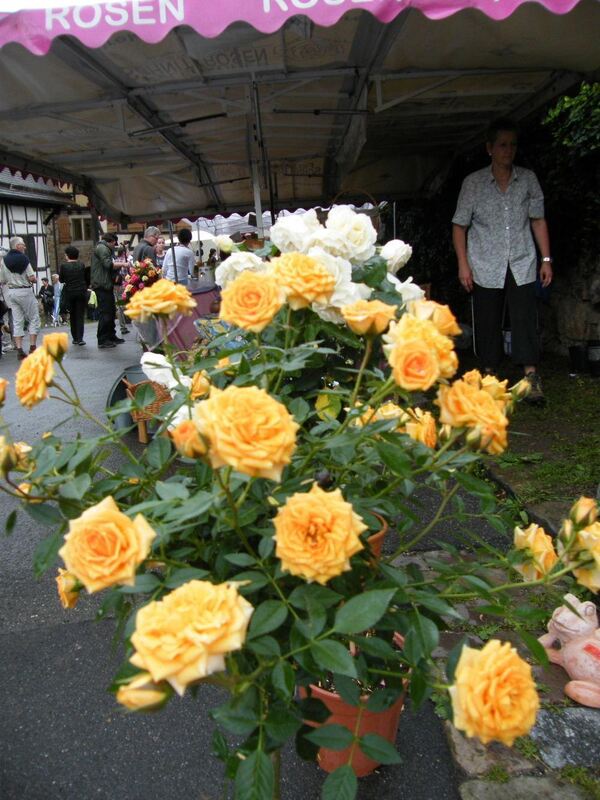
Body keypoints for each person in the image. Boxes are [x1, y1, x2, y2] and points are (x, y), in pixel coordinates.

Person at [452, 117, 552, 405]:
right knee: (487, 319)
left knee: (524, 317)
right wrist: (463, 264)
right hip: (484, 262)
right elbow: (460, 225)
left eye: (512, 145)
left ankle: (530, 377)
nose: (508, 151)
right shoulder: (473, 183)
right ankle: (489, 376)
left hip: (521, 260)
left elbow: (538, 220)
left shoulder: (528, 179)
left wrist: (546, 259)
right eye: (502, 145)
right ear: (490, 149)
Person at [0, 236, 40, 360]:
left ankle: (19, 349)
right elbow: (32, 277)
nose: (25, 246)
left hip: (12, 293)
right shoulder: (24, 259)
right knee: (33, 318)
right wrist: (32, 279)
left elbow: (2, 280)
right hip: (25, 290)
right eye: (23, 244)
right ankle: (33, 347)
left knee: (17, 321)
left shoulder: (4, 261)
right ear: (18, 246)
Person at [90, 233, 124, 349]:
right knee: (105, 312)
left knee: (110, 310)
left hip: (105, 284)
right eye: (115, 243)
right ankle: (103, 339)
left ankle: (111, 335)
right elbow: (108, 264)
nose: (115, 246)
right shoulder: (103, 249)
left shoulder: (104, 248)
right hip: (102, 285)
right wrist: (123, 264)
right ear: (112, 241)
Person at [59, 245, 88, 346]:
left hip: (70, 292)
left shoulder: (64, 266)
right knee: (80, 315)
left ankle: (75, 337)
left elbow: (61, 280)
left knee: (72, 315)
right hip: (80, 292)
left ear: (68, 255)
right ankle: (80, 338)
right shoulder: (81, 265)